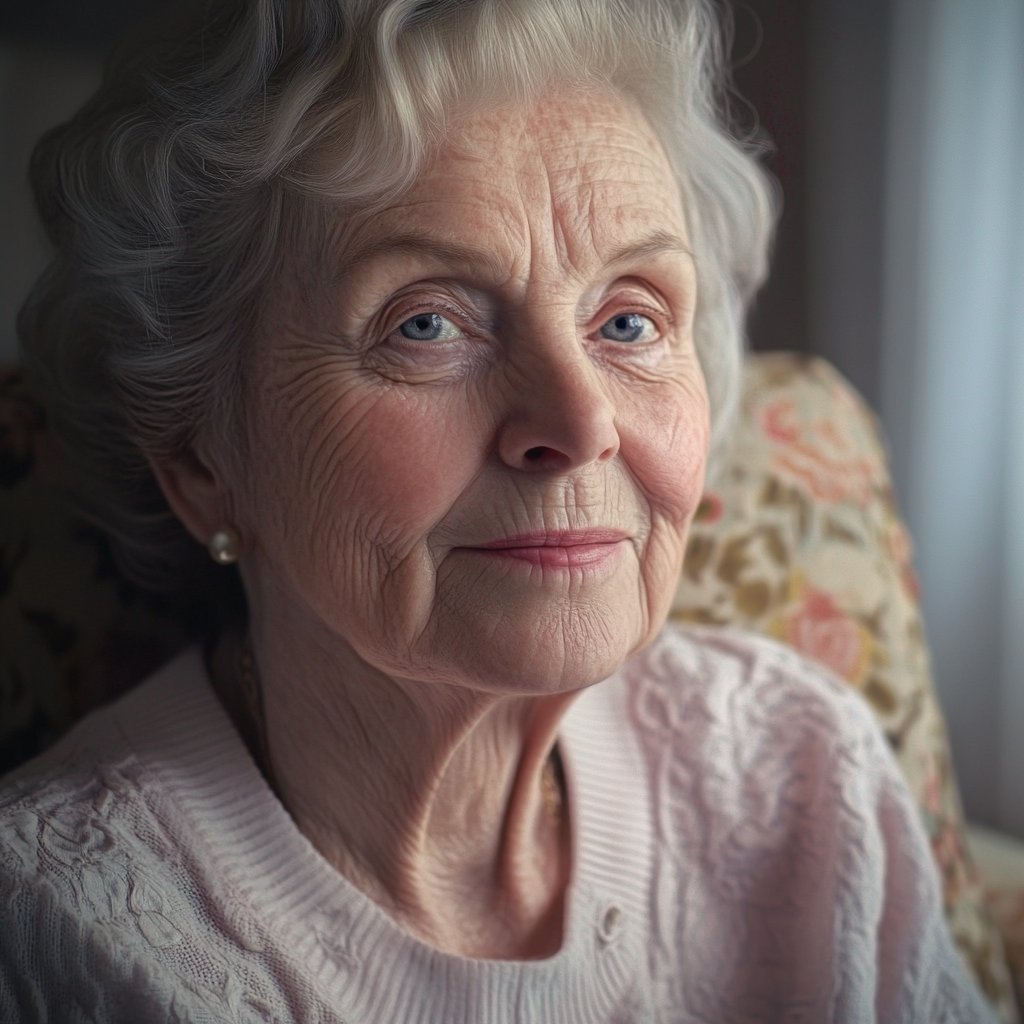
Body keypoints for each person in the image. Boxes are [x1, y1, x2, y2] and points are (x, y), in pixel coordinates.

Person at [0, 0, 998, 1020]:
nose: (577, 421)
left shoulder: (799, 773)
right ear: (200, 454)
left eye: (627, 318)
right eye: (425, 323)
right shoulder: (52, 936)